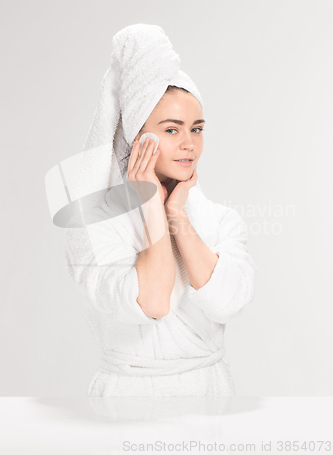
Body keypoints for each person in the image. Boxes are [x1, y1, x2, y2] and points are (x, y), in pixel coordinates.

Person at [64, 24, 257, 397]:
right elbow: (153, 302)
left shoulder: (222, 222)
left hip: (211, 395)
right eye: (171, 130)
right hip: (127, 398)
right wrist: (151, 207)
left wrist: (177, 216)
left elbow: (228, 302)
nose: (189, 144)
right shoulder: (94, 225)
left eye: (196, 129)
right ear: (137, 137)